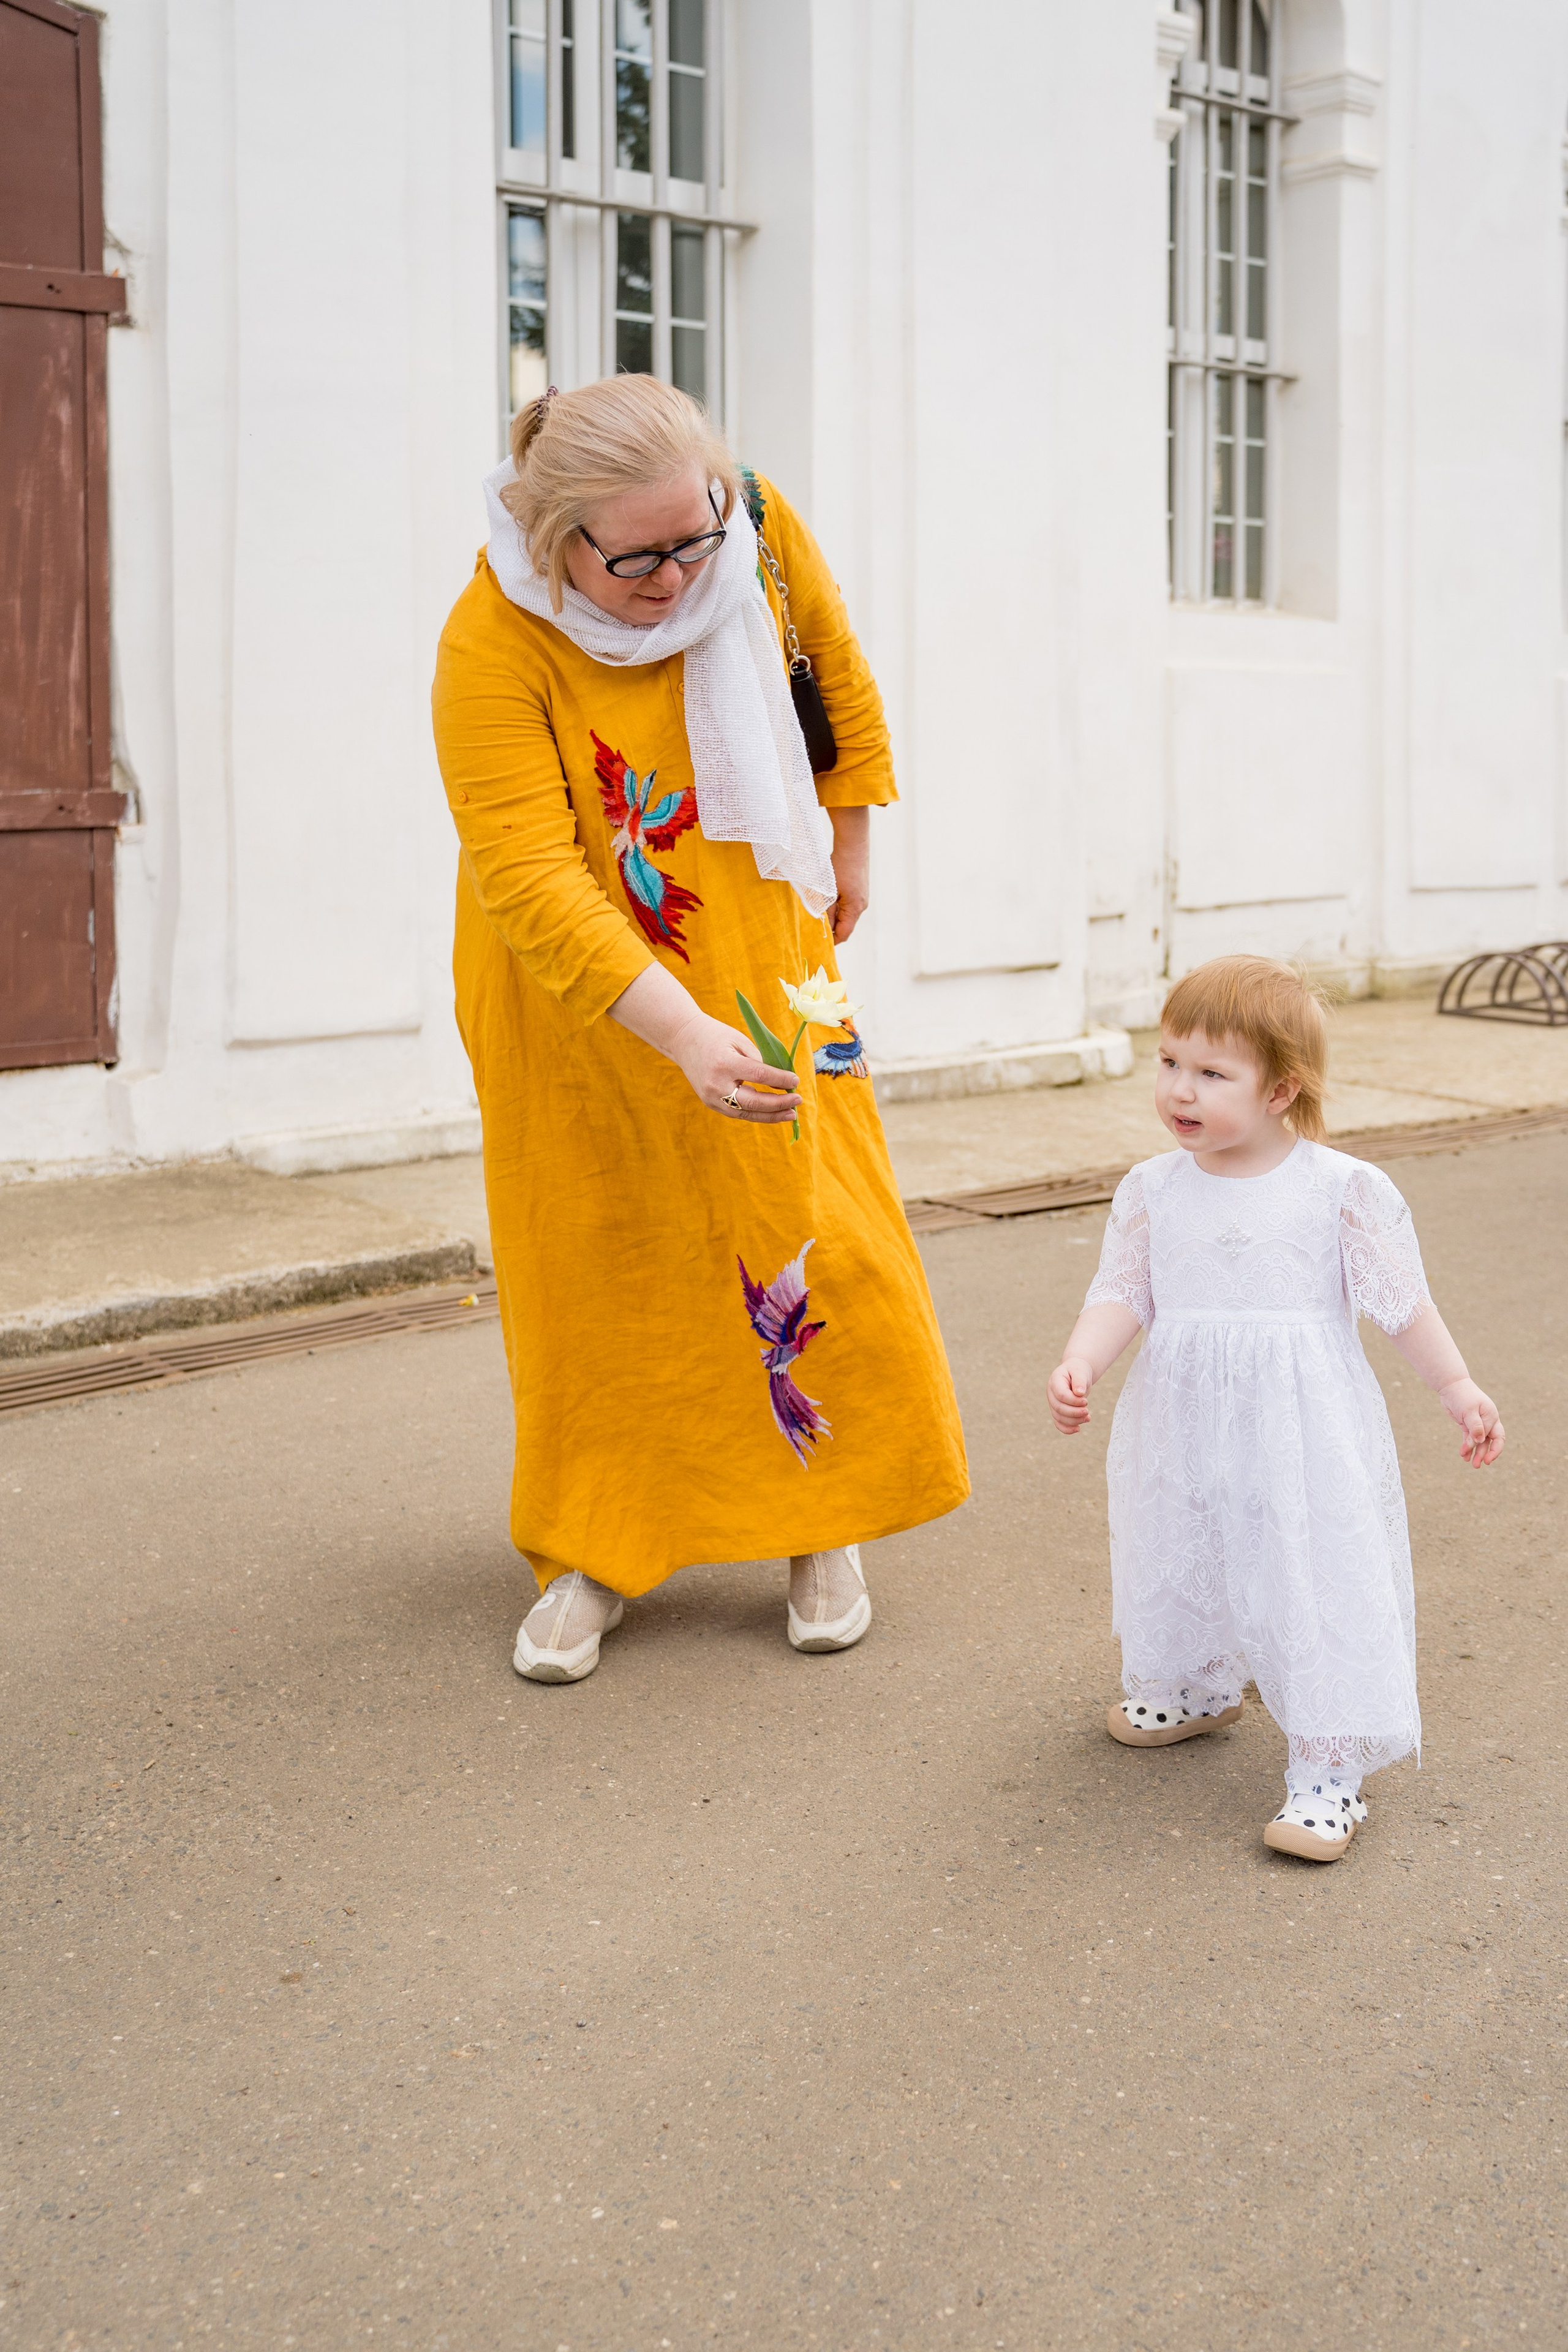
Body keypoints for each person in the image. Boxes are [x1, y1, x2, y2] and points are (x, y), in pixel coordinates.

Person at [431, 374, 968, 1682]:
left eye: (698, 540)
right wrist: (676, 1034)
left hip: (766, 958)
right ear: (556, 535)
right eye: (637, 560)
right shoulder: (490, 642)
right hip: (582, 998)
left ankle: (817, 1513)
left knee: (801, 1224)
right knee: (601, 1252)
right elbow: (531, 877)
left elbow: (830, 683)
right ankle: (595, 1546)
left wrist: (850, 849)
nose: (678, 578)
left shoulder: (760, 533)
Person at [1046, 957, 1504, 1862]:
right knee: (1185, 1536)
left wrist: (1457, 1387)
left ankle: (1329, 1768)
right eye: (1170, 1061)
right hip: (1184, 1420)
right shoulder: (1152, 1188)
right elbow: (1125, 1290)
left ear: (1282, 1089)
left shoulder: (1339, 1190)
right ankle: (1197, 1685)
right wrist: (1081, 1359)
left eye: (1213, 1074)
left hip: (1303, 1431)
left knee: (1308, 1569)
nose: (1180, 1090)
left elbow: (1401, 1303)